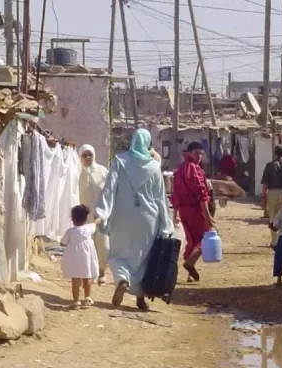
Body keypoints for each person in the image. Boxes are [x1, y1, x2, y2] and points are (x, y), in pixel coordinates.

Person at [95, 128, 174, 310]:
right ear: (147, 144)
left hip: (122, 217)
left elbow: (109, 188)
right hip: (148, 219)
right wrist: (166, 224)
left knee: (117, 254)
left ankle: (122, 278)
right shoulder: (154, 166)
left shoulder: (119, 161)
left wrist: (102, 211)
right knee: (144, 259)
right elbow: (160, 198)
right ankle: (140, 298)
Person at [171, 141, 214, 283]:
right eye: (197, 153)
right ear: (189, 153)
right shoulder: (195, 169)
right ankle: (190, 262)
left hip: (183, 210)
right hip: (196, 210)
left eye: (201, 154)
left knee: (191, 240)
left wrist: (175, 213)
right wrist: (208, 216)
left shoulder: (179, 170)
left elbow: (175, 194)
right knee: (205, 237)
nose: (199, 156)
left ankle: (189, 273)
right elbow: (202, 194)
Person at [78, 144, 110, 286]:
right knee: (87, 244)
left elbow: (110, 191)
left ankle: (102, 271)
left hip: (101, 214)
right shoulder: (77, 173)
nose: (88, 158)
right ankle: (89, 273)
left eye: (90, 154)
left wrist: (107, 210)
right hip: (85, 216)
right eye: (84, 155)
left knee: (103, 245)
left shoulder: (103, 171)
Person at [61, 205, 101, 308]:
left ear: (73, 219)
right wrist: (99, 217)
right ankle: (87, 298)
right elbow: (97, 222)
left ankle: (76, 301)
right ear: (86, 218)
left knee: (75, 280)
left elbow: (63, 243)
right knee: (87, 277)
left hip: (74, 258)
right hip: (86, 258)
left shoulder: (70, 231)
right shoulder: (89, 228)